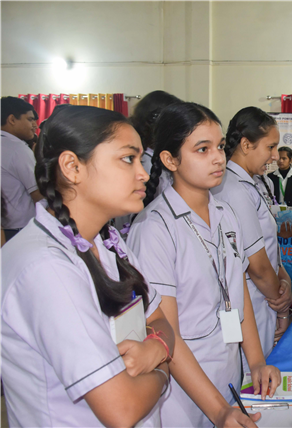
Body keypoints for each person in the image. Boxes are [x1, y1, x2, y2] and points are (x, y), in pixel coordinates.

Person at [0, 105, 175, 427]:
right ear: (72, 167)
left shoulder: (107, 240)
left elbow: (158, 319)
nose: (143, 174)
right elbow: (122, 409)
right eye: (128, 159)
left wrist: (158, 346)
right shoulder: (46, 268)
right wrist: (163, 368)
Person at [128, 102, 280, 428]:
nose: (218, 158)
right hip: (185, 392)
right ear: (170, 159)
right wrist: (218, 410)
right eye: (202, 149)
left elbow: (237, 290)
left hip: (228, 373)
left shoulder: (225, 213)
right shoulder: (155, 228)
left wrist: (256, 362)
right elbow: (165, 332)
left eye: (220, 146)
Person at [212, 106, 292, 365]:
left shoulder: (257, 182)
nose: (275, 156)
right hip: (253, 297)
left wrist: (284, 278)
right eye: (270, 147)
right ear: (246, 145)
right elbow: (257, 265)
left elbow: (269, 244)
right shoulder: (232, 188)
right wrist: (282, 304)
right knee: (253, 370)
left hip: (265, 294)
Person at [0, 96, 43, 240]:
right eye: (30, 119)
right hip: (19, 228)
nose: (35, 125)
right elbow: (38, 194)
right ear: (12, 119)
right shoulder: (17, 148)